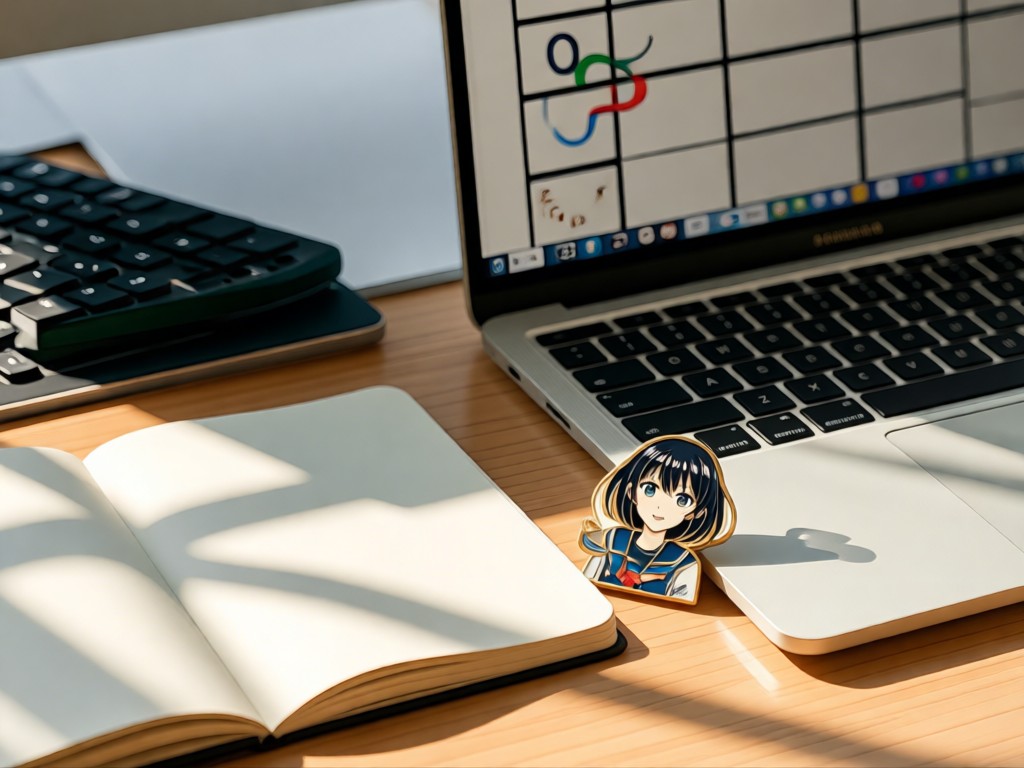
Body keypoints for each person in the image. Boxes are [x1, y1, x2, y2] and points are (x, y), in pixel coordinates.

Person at [579, 436, 735, 605]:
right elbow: (590, 577)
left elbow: (683, 598)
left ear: (695, 513)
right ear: (631, 492)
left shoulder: (685, 563)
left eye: (682, 499)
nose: (661, 507)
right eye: (650, 489)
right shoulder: (610, 539)